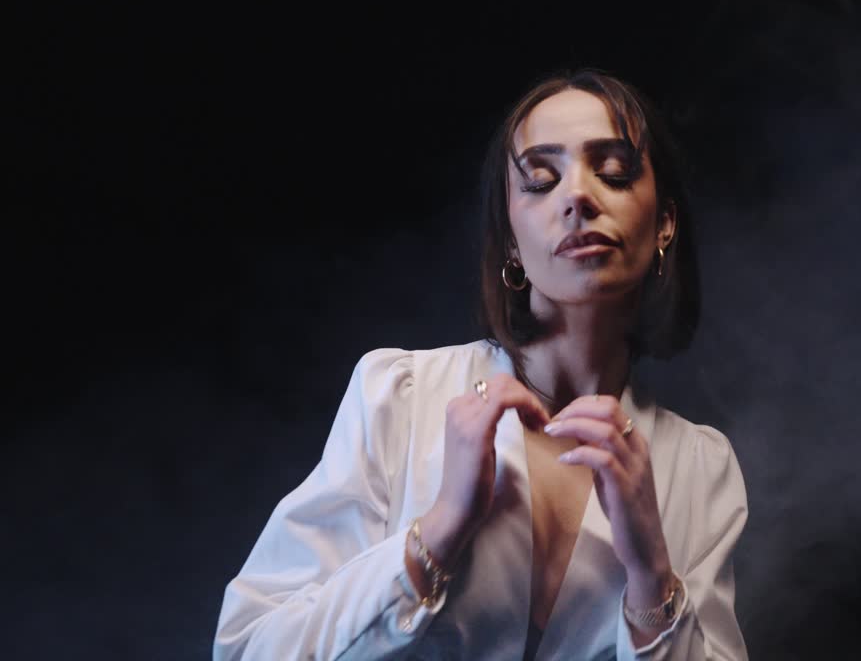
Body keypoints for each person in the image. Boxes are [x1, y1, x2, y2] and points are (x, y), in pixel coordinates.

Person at [213, 69, 750, 660]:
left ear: (664, 224)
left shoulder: (702, 470)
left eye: (614, 172)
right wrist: (439, 531)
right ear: (512, 241)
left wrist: (651, 575)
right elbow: (248, 650)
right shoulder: (401, 396)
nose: (577, 195)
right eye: (540, 181)